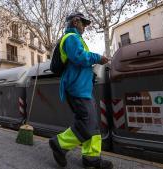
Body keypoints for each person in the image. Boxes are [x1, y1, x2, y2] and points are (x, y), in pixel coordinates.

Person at [49, 12, 113, 169]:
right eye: (83, 23)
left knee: (92, 124)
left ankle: (91, 158)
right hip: (76, 88)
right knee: (87, 123)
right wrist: (98, 58)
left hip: (83, 87)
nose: (85, 27)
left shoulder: (76, 38)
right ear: (76, 21)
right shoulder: (71, 38)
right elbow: (79, 57)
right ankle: (59, 144)